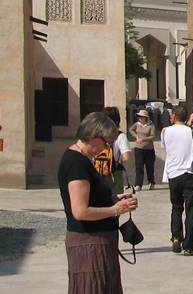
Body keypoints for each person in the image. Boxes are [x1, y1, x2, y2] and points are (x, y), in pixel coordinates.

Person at [58, 111, 140, 293]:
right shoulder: (77, 163)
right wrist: (116, 209)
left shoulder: (83, 159)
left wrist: (112, 199)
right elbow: (80, 211)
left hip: (98, 241)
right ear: (92, 138)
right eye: (105, 142)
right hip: (89, 243)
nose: (106, 147)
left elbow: (91, 197)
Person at [161, 104, 193, 255]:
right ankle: (189, 247)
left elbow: (166, 148)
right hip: (190, 174)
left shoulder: (164, 132)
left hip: (173, 175)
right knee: (190, 210)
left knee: (176, 207)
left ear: (174, 116)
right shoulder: (192, 132)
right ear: (187, 117)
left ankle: (176, 238)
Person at [99, 107, 132, 195]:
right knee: (115, 199)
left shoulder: (97, 134)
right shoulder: (120, 136)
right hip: (114, 174)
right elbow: (126, 158)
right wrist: (115, 163)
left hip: (97, 172)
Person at [129, 110, 157, 190]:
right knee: (139, 166)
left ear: (146, 118)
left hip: (149, 149)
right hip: (139, 148)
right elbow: (131, 129)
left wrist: (143, 139)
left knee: (149, 167)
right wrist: (136, 136)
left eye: (142, 117)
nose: (140, 118)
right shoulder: (137, 124)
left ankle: (151, 182)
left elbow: (152, 136)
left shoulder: (151, 125)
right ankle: (138, 184)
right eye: (139, 116)